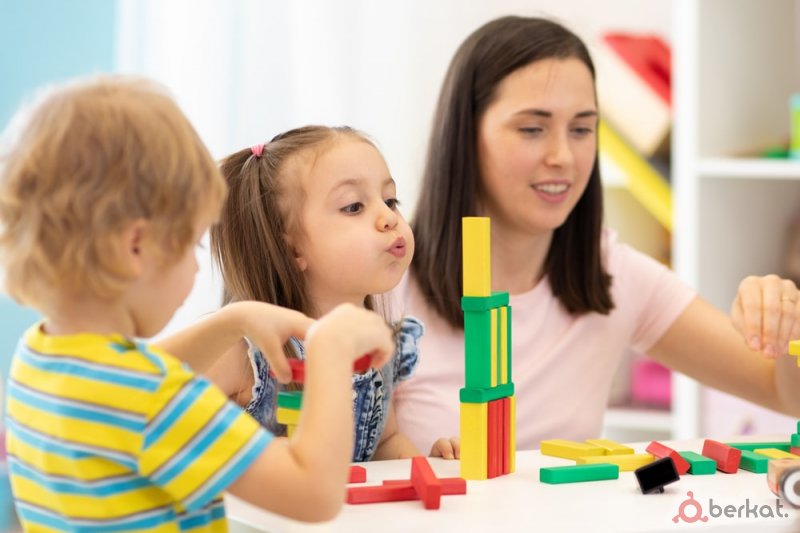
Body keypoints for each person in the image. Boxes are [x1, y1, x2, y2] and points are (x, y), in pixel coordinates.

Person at [0, 76, 395, 530]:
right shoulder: (157, 401)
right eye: (192, 244)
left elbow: (144, 369)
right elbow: (313, 497)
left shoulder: (39, 358)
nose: (194, 267)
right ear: (136, 247)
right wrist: (330, 354)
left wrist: (233, 321)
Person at [393, 15, 800, 455]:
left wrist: (788, 328)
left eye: (582, 129)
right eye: (532, 129)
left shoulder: (613, 275)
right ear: (465, 134)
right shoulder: (386, 286)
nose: (564, 157)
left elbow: (782, 393)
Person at [209, 125, 450, 461]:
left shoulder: (374, 343)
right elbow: (157, 420)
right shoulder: (243, 350)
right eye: (353, 207)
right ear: (292, 250)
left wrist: (432, 470)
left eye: (390, 200)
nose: (388, 218)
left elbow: (385, 444)